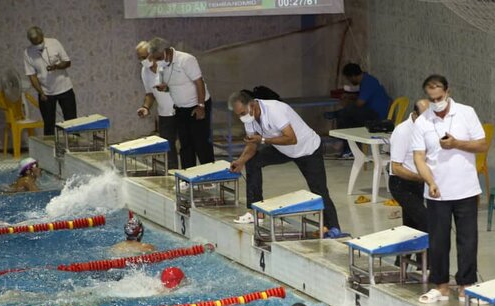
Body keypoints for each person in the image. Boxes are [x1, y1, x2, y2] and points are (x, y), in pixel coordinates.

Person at [412, 75, 487, 302]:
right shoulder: (422, 122)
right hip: (437, 191)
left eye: (440, 97)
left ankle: (466, 284)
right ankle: (441, 286)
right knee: (438, 240)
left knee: (467, 239)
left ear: (448, 92)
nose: (436, 102)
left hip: (465, 189)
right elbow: (418, 158)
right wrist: (431, 182)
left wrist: (457, 144)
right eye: (431, 98)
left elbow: (482, 144)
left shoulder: (466, 112)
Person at [227, 91, 343, 238]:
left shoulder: (275, 110)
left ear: (252, 105)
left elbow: (291, 138)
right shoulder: (249, 118)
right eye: (238, 115)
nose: (241, 117)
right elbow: (252, 146)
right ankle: (256, 211)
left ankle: (333, 227)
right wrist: (240, 161)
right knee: (253, 161)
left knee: (319, 190)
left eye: (242, 113)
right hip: (283, 149)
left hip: (307, 149)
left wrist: (263, 140)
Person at [147, 37, 213, 168]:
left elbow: (199, 82)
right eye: (154, 58)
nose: (156, 61)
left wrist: (201, 107)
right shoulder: (163, 65)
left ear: (166, 51)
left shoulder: (186, 60)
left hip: (197, 105)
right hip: (180, 108)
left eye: (158, 57)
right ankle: (188, 175)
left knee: (201, 143)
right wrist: (165, 88)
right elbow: (176, 84)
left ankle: (209, 175)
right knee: (185, 144)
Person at [23, 26, 76, 136]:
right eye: (34, 43)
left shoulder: (54, 43)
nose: (38, 44)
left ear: (42, 36)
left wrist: (56, 66)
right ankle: (50, 151)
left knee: (72, 122)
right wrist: (41, 92)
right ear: (30, 41)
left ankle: (73, 148)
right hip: (45, 93)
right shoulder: (27, 52)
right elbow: (32, 76)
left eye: (39, 41)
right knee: (48, 124)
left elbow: (67, 62)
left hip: (64, 88)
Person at [135, 41, 179, 169]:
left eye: (144, 57)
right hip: (164, 114)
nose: (142, 61)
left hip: (179, 110)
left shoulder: (167, 66)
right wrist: (145, 107)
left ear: (153, 54)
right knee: (168, 147)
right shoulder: (145, 71)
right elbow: (150, 94)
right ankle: (172, 174)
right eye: (140, 58)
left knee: (187, 146)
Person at [389, 99, 430, 233]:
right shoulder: (402, 132)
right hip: (401, 184)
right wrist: (420, 177)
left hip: (419, 183)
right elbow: (396, 167)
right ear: (415, 114)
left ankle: (407, 254)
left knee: (411, 227)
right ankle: (427, 254)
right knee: (426, 221)